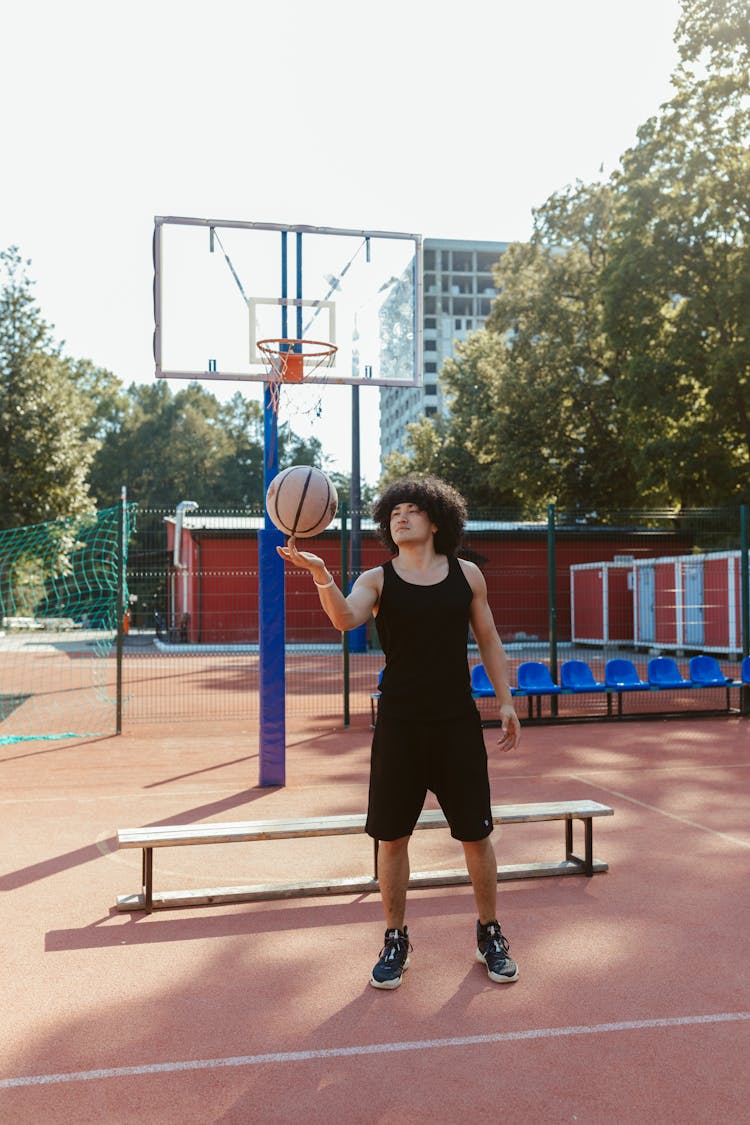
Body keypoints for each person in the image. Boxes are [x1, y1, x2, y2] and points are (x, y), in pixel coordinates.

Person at [277, 474, 521, 990]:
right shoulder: (377, 579)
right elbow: (345, 619)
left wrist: (505, 700)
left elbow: (490, 639)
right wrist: (321, 573)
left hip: (456, 722)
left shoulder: (467, 575)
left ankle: (489, 934)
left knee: (475, 834)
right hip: (400, 726)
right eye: (393, 513)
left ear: (436, 520)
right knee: (392, 838)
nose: (401, 517)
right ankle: (395, 938)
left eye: (411, 510)